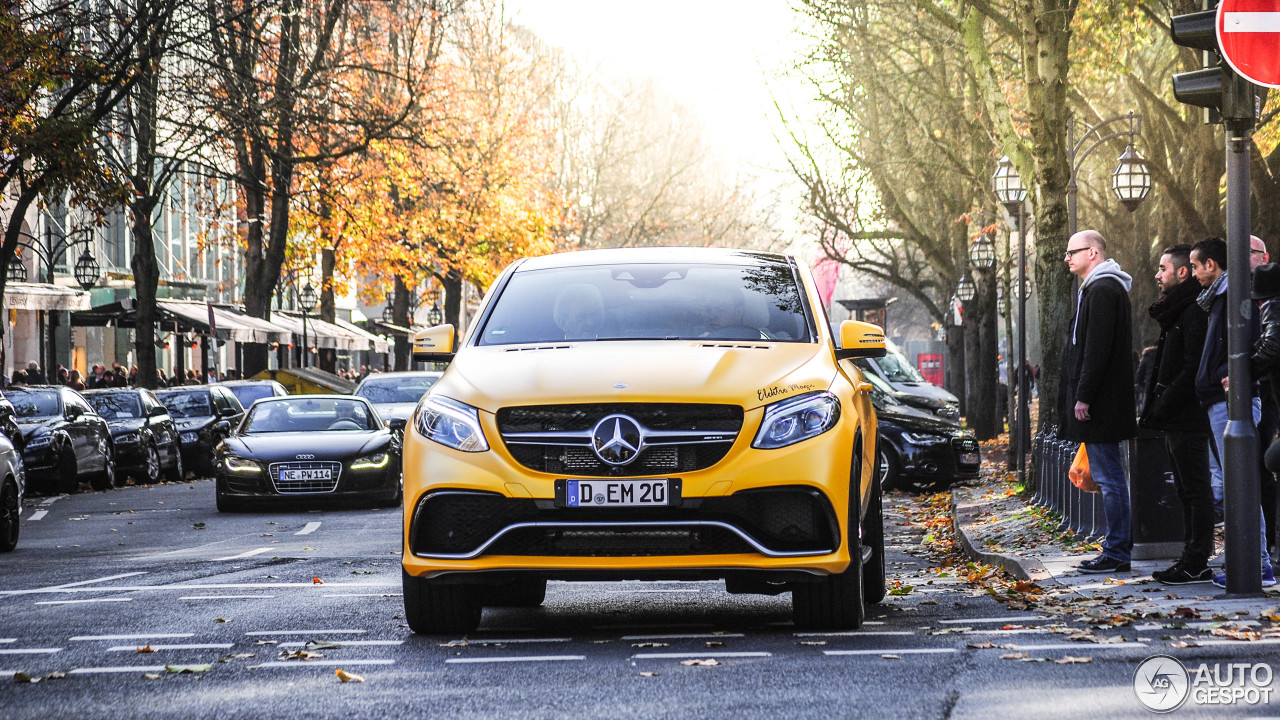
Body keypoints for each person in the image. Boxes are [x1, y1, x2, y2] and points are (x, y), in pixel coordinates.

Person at [1192, 237, 1274, 588]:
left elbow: (1255, 340)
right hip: (1221, 395)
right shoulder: (1220, 297)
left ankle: (1257, 563)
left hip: (1232, 399)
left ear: (1212, 264)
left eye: (1196, 266)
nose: (1194, 273)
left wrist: (1234, 376)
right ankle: (1249, 559)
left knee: (1241, 483)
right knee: (1234, 482)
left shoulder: (1233, 294)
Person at [1060, 230, 1137, 574]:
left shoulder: (1103, 290)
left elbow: (1097, 348)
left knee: (1110, 477)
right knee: (1109, 476)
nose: (1067, 258)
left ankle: (1117, 551)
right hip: (1103, 399)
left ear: (1092, 252)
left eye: (1071, 252)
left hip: (1102, 402)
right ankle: (1115, 548)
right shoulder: (1098, 288)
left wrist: (1084, 396)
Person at [1141, 245, 1215, 584]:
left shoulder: (1192, 311)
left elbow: (1192, 367)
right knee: (1186, 490)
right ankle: (1190, 556)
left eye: (1163, 268)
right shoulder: (1177, 311)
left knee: (1195, 488)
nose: (1157, 275)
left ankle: (1197, 558)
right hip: (1175, 414)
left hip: (1187, 415)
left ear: (1182, 272)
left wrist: (1164, 401)